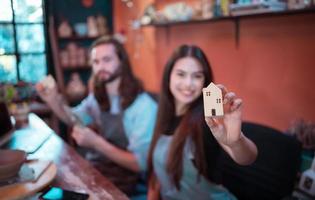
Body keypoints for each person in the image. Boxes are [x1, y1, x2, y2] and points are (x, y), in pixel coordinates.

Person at [36, 36, 157, 196]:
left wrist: (96, 143)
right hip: (103, 171)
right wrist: (53, 101)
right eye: (96, 62)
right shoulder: (98, 97)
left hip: (132, 182)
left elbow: (140, 164)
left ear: (122, 62)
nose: (101, 67)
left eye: (107, 60)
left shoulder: (143, 105)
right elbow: (75, 119)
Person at [147, 45, 258, 200]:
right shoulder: (163, 113)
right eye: (181, 74)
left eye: (197, 76)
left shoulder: (208, 117)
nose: (188, 84)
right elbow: (157, 174)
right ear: (169, 76)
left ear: (205, 81)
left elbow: (248, 157)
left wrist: (236, 141)